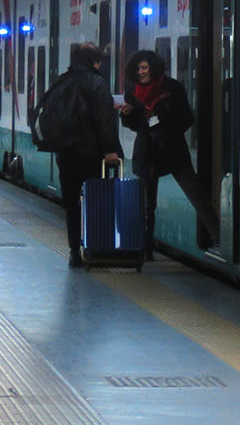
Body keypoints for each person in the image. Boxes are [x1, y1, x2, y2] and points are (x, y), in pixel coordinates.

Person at [119, 49, 218, 255]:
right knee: (147, 203)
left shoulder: (172, 88)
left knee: (195, 193)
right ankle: (146, 247)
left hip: (172, 148)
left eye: (144, 68)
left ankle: (217, 235)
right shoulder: (132, 92)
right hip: (147, 151)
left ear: (153, 68)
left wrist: (164, 130)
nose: (141, 72)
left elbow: (187, 118)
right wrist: (126, 116)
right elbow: (134, 125)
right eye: (138, 69)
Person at [51, 42, 123, 268]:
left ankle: (74, 251)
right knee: (94, 201)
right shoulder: (96, 83)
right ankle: (93, 248)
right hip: (90, 154)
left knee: (71, 204)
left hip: (65, 154)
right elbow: (104, 119)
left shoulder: (62, 82)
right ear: (95, 62)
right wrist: (110, 149)